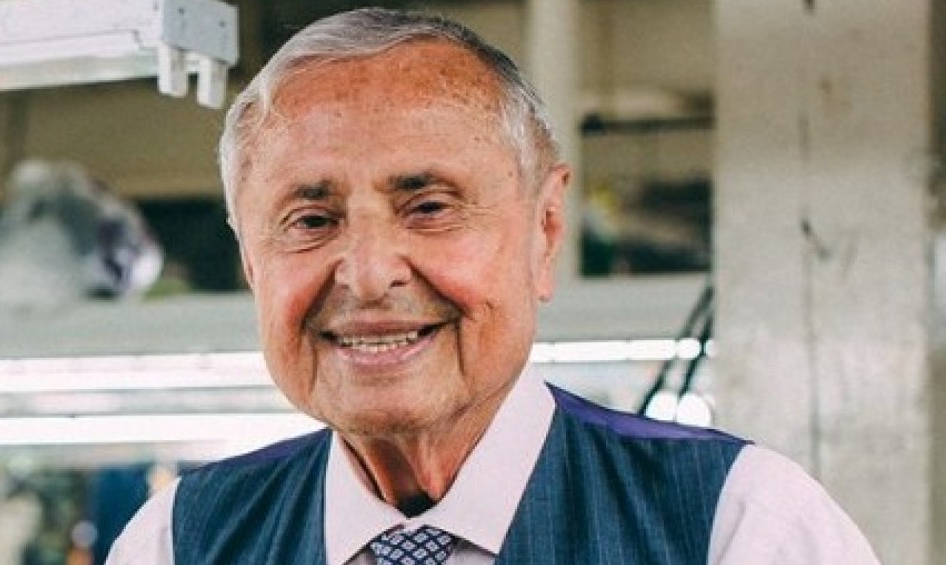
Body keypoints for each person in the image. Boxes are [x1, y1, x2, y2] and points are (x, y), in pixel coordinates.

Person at [106, 8, 881, 564]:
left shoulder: (741, 526)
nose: (369, 274)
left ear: (545, 228)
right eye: (310, 220)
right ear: (251, 260)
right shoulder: (177, 541)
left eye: (429, 207)